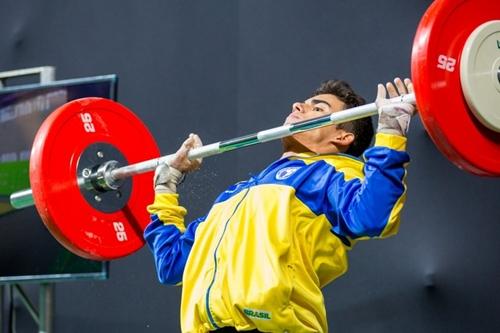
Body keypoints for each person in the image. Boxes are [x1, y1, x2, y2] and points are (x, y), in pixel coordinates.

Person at [144, 77, 415, 333]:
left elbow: (374, 215)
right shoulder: (235, 196)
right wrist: (165, 185)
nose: (298, 105)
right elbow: (172, 263)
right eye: (303, 103)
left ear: (342, 137)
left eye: (317, 108)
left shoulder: (328, 177)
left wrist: (391, 132)